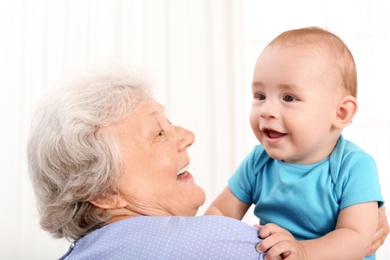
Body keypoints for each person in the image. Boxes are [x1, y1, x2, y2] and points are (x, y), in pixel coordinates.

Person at [27, 65, 267, 259]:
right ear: (102, 192)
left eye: (169, 122)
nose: (188, 136)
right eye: (159, 133)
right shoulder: (229, 243)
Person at [205, 26, 387, 259]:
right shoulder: (257, 162)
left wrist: (302, 251)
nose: (267, 110)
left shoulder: (355, 166)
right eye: (260, 96)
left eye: (288, 98)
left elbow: (357, 238)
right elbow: (221, 211)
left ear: (341, 113)